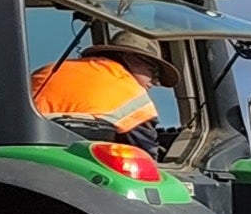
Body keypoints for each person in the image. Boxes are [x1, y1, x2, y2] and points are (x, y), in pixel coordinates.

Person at [32, 50, 168, 147]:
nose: (154, 82)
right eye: (153, 72)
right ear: (132, 59)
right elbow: (146, 154)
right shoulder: (131, 93)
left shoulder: (48, 70)